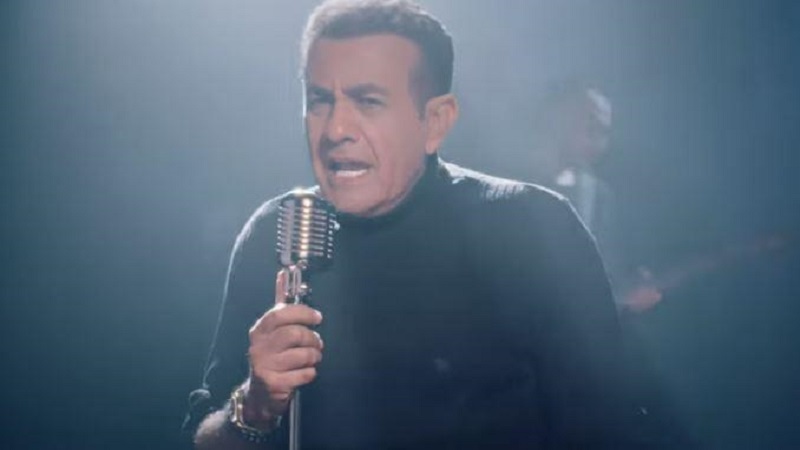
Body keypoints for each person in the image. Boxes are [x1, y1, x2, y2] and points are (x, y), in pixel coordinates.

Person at [183, 1, 660, 448]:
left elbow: (610, 430)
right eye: (320, 100)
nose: (335, 130)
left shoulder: (531, 226)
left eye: (368, 101)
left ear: (436, 121)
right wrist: (254, 406)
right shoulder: (277, 232)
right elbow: (202, 439)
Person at [529, 81, 662, 314]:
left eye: (604, 131)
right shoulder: (510, 179)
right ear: (557, 119)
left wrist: (631, 285)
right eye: (590, 125)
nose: (599, 139)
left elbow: (606, 269)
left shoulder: (597, 195)